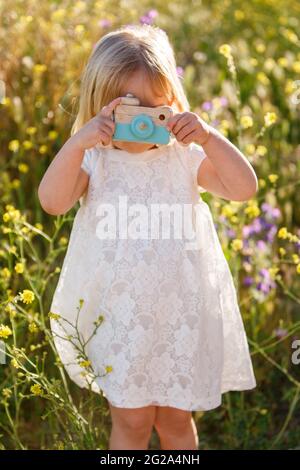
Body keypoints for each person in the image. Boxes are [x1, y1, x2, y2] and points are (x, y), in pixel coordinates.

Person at [38, 24, 257, 450]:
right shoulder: (94, 161)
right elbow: (52, 202)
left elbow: (243, 188)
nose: (141, 125)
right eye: (127, 111)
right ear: (101, 108)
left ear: (171, 106)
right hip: (121, 318)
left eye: (153, 111)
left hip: (180, 317)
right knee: (132, 423)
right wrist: (78, 143)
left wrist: (209, 137)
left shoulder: (185, 158)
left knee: (177, 423)